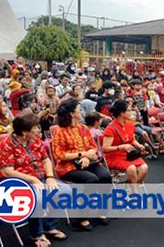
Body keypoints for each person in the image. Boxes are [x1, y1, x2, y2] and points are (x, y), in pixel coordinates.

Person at [0, 113, 68, 246]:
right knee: (38, 198)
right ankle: (37, 233)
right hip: (18, 182)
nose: (38, 130)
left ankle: (49, 226)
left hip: (40, 177)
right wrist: (33, 180)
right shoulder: (6, 145)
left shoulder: (34, 140)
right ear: (24, 132)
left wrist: (50, 177)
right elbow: (7, 172)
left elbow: (45, 159)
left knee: (65, 191)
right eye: (35, 127)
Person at [51, 98, 111, 231]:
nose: (81, 111)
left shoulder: (83, 128)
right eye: (78, 109)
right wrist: (82, 155)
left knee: (106, 176)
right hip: (67, 166)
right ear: (72, 114)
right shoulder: (60, 131)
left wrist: (87, 157)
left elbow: (93, 147)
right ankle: (82, 217)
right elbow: (59, 155)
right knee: (91, 179)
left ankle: (100, 209)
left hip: (87, 162)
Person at [102, 100, 148, 192]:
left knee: (144, 168)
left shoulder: (130, 124)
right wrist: (121, 147)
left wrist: (139, 146)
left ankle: (132, 190)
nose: (131, 112)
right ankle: (135, 193)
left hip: (129, 154)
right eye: (129, 110)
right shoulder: (110, 128)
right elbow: (105, 149)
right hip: (114, 156)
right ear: (122, 113)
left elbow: (132, 140)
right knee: (132, 169)